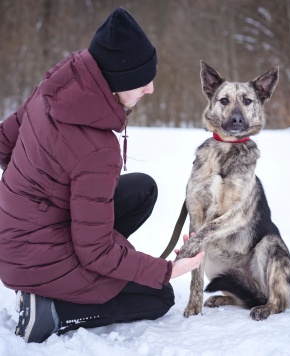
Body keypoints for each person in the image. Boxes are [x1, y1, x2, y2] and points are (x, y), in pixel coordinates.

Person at [0, 7, 204, 343]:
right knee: (158, 296)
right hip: (34, 259)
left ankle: (70, 271)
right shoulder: (97, 149)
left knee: (142, 189)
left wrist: (40, 194)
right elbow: (94, 251)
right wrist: (169, 270)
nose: (150, 89)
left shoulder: (54, 89)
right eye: (142, 80)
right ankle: (51, 312)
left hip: (16, 235)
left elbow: (4, 144)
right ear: (115, 80)